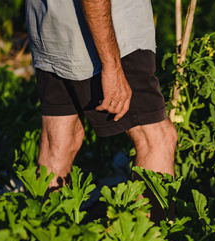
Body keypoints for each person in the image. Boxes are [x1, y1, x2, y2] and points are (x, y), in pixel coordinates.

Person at [25, 0, 178, 221]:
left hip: (50, 29)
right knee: (156, 139)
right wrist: (112, 65)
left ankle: (46, 237)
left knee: (59, 143)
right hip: (108, 41)